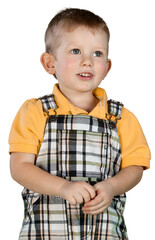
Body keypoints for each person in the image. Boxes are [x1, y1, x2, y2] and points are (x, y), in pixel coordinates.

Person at [9, 8, 151, 240]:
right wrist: (63, 188)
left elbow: (135, 169)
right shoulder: (35, 112)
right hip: (46, 231)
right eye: (75, 51)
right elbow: (19, 167)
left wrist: (112, 187)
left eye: (97, 53)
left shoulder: (121, 118)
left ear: (106, 66)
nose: (87, 61)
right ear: (49, 63)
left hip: (104, 231)